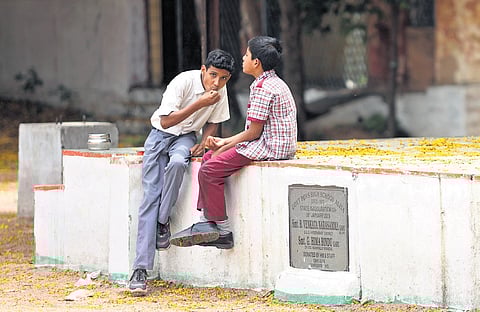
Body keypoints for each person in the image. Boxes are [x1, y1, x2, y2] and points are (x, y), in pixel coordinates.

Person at [169, 36, 297, 250]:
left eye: (247, 55)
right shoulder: (272, 81)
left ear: (256, 62)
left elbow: (253, 133)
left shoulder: (263, 88)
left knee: (209, 170)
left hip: (270, 146)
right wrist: (223, 144)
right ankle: (206, 223)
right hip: (273, 142)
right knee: (209, 157)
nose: (243, 58)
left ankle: (223, 230)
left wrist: (226, 143)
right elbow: (254, 132)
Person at [128, 49, 235, 295]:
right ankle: (140, 270)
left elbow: (214, 120)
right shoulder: (183, 82)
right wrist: (199, 103)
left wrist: (205, 141)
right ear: (203, 70)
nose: (217, 83)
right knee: (150, 198)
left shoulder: (221, 91)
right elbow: (165, 122)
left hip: (185, 138)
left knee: (178, 163)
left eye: (223, 78)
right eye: (213, 75)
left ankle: (162, 221)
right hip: (160, 136)